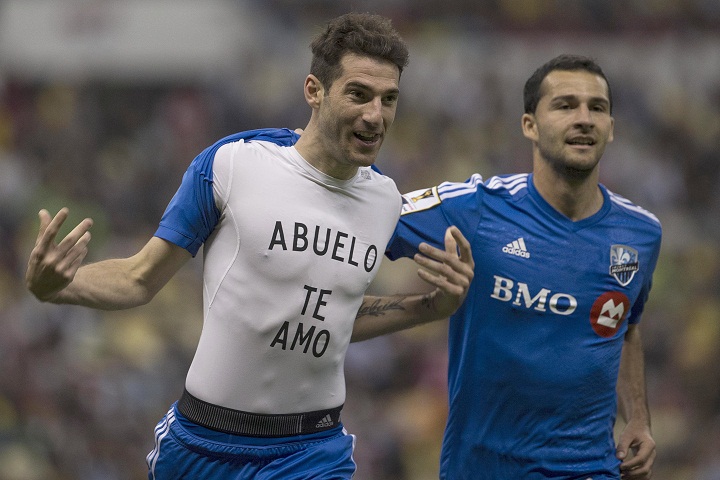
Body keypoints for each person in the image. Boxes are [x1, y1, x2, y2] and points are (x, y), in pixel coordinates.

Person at [24, 13, 474, 480]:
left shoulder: (384, 201)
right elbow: (139, 279)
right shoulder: (233, 165)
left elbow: (336, 315)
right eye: (359, 94)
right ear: (314, 91)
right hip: (204, 447)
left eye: (389, 99)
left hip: (313, 451)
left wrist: (431, 306)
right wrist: (58, 285)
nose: (374, 115)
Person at [353, 54, 661, 479]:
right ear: (529, 125)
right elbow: (361, 220)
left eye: (598, 108)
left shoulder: (642, 233)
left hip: (591, 468)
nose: (585, 118)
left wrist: (639, 418)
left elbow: (625, 326)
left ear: (611, 129)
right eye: (566, 105)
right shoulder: (474, 209)